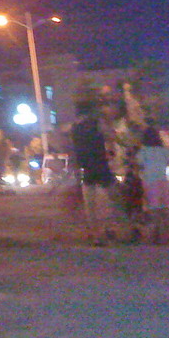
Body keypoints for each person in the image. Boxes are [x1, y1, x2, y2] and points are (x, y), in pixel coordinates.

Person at [72, 101, 119, 245]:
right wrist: (111, 151)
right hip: (101, 165)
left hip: (87, 168)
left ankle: (96, 235)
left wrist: (76, 169)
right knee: (115, 198)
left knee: (90, 205)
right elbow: (111, 137)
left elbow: (74, 150)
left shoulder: (75, 128)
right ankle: (111, 227)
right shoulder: (97, 124)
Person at [137, 125, 169, 244]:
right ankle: (167, 235)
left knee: (154, 209)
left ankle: (154, 234)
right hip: (162, 180)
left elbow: (139, 163)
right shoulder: (163, 150)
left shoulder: (143, 151)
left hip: (150, 181)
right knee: (164, 208)